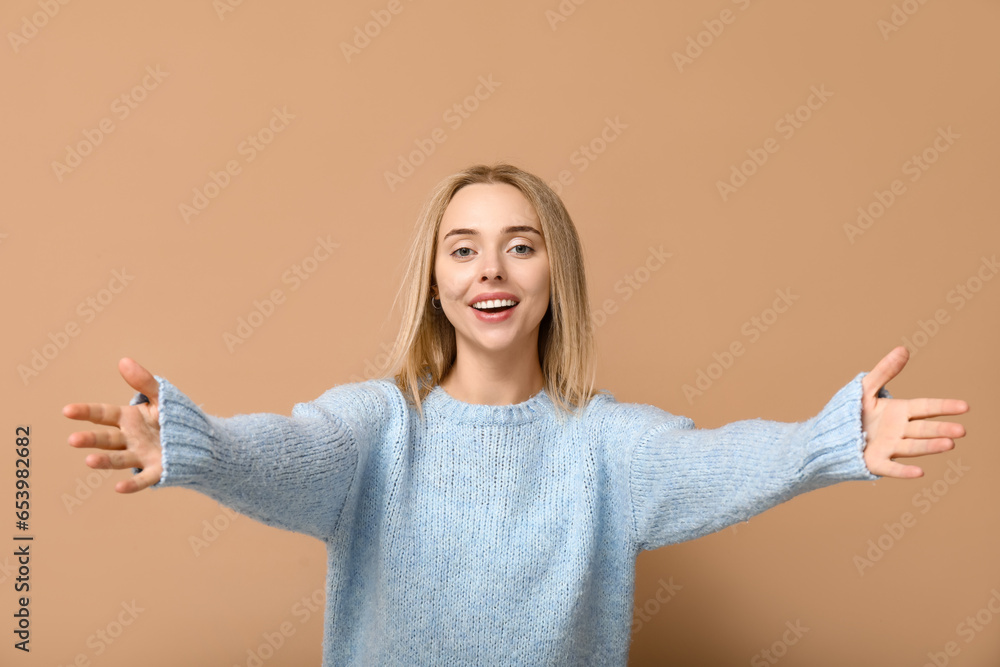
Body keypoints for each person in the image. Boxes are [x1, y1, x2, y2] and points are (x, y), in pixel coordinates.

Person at [63, 163, 969, 666]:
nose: (489, 270)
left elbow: (716, 460)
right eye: (463, 249)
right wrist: (198, 443)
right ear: (436, 281)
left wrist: (830, 440)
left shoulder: (606, 444)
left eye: (519, 246)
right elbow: (290, 449)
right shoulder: (380, 427)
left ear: (554, 277)